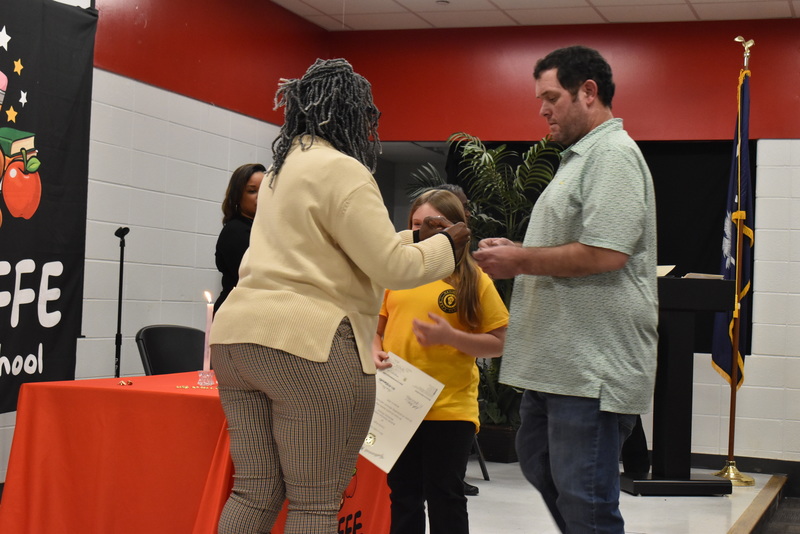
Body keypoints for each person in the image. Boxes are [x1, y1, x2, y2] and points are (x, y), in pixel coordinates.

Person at [209, 58, 470, 534]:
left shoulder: (276, 174)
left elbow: (332, 247)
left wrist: (416, 238)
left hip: (235, 340)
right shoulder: (344, 170)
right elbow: (391, 267)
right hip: (308, 347)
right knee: (313, 505)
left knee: (254, 490)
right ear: (350, 113)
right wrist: (447, 247)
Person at [472, 45, 658, 534]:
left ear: (588, 92)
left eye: (552, 96)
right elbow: (572, 245)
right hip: (557, 364)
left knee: (586, 499)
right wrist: (515, 248)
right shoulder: (578, 159)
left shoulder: (613, 154)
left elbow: (607, 253)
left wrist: (520, 259)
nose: (542, 109)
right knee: (538, 462)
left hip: (590, 367)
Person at [373, 189, 508, 534]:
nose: (422, 234)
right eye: (416, 225)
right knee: (403, 495)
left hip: (449, 407)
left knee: (445, 496)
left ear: (454, 229)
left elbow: (500, 343)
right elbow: (376, 328)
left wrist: (452, 338)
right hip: (398, 404)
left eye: (433, 227)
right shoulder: (397, 276)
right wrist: (375, 348)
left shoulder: (473, 280)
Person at [213, 163, 266, 313]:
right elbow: (255, 276)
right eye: (252, 191)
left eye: (264, 190)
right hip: (235, 313)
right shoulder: (236, 230)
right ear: (237, 196)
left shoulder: (262, 229)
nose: (260, 196)